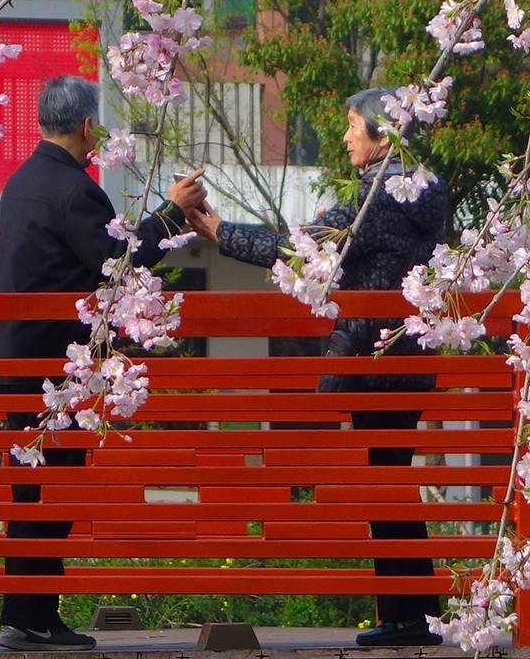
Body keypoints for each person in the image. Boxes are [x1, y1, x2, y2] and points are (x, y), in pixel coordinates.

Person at [187, 87, 448, 647]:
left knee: (386, 483)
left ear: (381, 133)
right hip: (411, 354)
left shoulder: (379, 195)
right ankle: (415, 612)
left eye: (354, 124)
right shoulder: (425, 188)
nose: (347, 135)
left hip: (378, 361)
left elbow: (304, 249)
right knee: (393, 478)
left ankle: (406, 617)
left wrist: (219, 234)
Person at [0, 75, 206, 651]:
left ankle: (25, 614)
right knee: (50, 493)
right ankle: (35, 617)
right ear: (88, 127)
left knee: (29, 490)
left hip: (16, 358)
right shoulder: (75, 190)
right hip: (54, 367)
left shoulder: (20, 183)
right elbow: (119, 261)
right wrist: (171, 213)